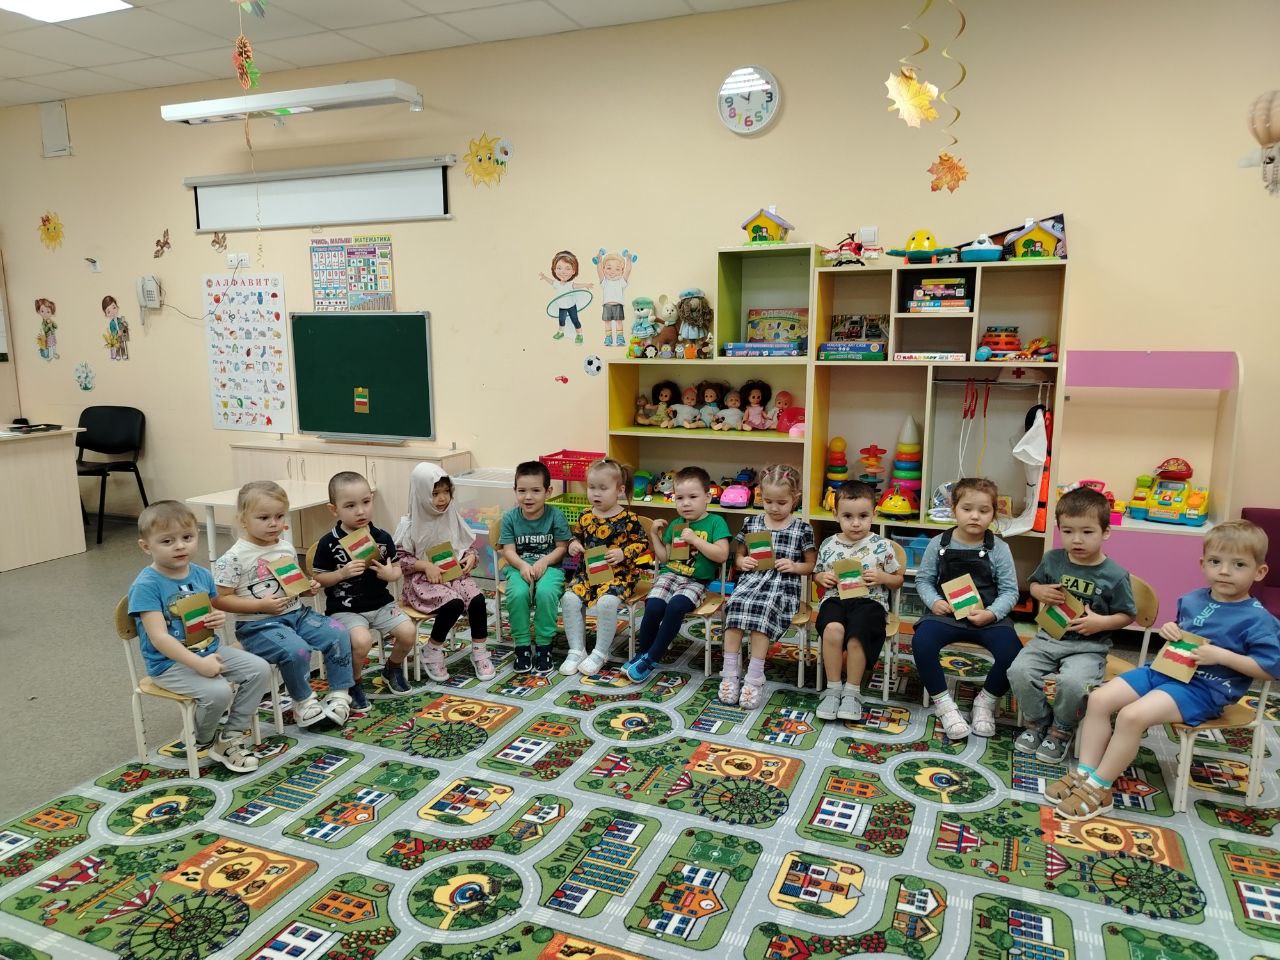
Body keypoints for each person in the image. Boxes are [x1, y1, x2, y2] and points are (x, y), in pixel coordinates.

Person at [1052, 520, 1280, 821]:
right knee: (1099, 699)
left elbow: (1270, 668)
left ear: (1259, 572)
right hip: (1163, 671)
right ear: (1203, 564)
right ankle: (1085, 773)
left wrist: (1222, 656)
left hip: (1202, 690)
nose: (1224, 571)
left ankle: (1100, 787)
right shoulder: (1193, 599)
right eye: (1215, 562)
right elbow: (1185, 633)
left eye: (1239, 564)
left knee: (1132, 716)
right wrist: (1172, 629)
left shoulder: (1258, 620)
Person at [128, 501, 270, 773]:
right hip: (169, 664)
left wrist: (217, 618)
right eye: (167, 541)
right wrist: (199, 664)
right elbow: (159, 638)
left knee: (259, 669)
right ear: (146, 547)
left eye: (187, 537)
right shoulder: (146, 585)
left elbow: (210, 612)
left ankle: (229, 736)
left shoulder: (202, 574)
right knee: (218, 692)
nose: (180, 546)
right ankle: (201, 738)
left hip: (208, 649)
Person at [1008, 487, 1136, 763]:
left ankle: (1062, 729)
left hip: (1089, 647)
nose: (1076, 539)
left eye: (1087, 532)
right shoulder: (1052, 559)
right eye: (1068, 531)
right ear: (1059, 530)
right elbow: (1034, 583)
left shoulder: (1115, 575)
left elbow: (1128, 615)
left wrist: (1101, 622)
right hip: (1048, 639)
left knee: (1074, 683)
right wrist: (1039, 591)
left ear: (1106, 532)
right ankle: (1038, 722)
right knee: (1018, 670)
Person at [212, 481, 353, 728]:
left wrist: (307, 588)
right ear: (243, 519)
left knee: (338, 632)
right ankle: (303, 701)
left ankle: (340, 694)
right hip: (258, 626)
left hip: (297, 615)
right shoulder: (233, 558)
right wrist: (261, 606)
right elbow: (219, 599)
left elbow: (292, 584)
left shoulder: (286, 547)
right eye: (264, 517)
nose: (273, 523)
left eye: (279, 516)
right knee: (296, 650)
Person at [911, 478, 1021, 740]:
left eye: (984, 511)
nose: (975, 516)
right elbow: (923, 580)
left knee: (1014, 652)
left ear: (993, 513)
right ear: (954, 510)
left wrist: (991, 613)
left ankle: (985, 702)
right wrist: (934, 602)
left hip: (988, 617)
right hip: (945, 615)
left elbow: (1010, 591)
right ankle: (944, 705)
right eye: (967, 509)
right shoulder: (939, 543)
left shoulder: (999, 548)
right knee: (922, 643)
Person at [312, 471, 418, 703]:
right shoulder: (329, 542)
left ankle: (392, 668)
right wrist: (341, 574)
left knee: (408, 633)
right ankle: (354, 680)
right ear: (334, 509)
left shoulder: (382, 537)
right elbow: (319, 578)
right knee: (362, 642)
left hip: (381, 604)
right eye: (350, 506)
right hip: (345, 609)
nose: (360, 511)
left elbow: (397, 568)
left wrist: (391, 574)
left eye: (366, 502)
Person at [718, 465, 816, 709]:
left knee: (763, 610)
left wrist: (794, 566)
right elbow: (739, 556)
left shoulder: (802, 528)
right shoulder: (752, 522)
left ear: (795, 498)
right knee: (734, 605)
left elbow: (811, 565)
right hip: (752, 580)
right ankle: (730, 674)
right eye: (768, 501)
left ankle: (754, 677)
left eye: (781, 503)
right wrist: (743, 561)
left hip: (783, 585)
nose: (774, 508)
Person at [622, 466, 731, 682]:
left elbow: (722, 555)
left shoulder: (716, 522)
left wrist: (696, 540)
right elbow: (665, 558)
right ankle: (642, 653)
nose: (686, 503)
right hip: (669, 575)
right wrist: (654, 535)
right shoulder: (675, 524)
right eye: (680, 498)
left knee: (675, 607)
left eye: (693, 497)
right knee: (653, 606)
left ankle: (651, 658)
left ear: (708, 497)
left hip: (696, 581)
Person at [812, 481, 903, 721]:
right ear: (835, 515)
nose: (855, 523)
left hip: (870, 601)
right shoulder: (829, 544)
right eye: (848, 516)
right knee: (833, 629)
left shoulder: (882, 545)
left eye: (863, 516)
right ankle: (833, 689)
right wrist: (822, 578)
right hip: (836, 598)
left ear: (874, 514)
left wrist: (883, 577)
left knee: (858, 634)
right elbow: (817, 574)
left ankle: (852, 692)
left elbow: (898, 580)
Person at [396, 463, 494, 682]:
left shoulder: (452, 516)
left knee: (477, 600)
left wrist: (471, 557)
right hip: (423, 582)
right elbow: (399, 561)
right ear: (421, 494)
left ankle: (479, 652)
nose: (442, 499)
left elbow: (466, 546)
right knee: (454, 604)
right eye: (434, 494)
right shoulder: (409, 525)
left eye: (446, 492)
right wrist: (425, 566)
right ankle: (431, 650)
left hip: (453, 575)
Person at [561, 458, 650, 676]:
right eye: (591, 487)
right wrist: (573, 544)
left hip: (618, 577)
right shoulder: (585, 516)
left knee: (606, 602)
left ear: (620, 490)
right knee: (569, 599)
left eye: (603, 488)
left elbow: (642, 543)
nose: (596, 494)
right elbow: (575, 536)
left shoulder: (628, 518)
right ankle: (576, 650)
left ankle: (600, 652)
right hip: (587, 575)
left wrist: (623, 553)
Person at [498, 460, 570, 675]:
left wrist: (544, 561)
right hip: (518, 567)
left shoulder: (556, 515)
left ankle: (544, 646)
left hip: (551, 567)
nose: (528, 497)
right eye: (522, 491)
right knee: (518, 594)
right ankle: (522, 646)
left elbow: (562, 547)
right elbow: (508, 550)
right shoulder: (510, 518)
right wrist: (521, 565)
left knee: (546, 593)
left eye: (536, 491)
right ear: (515, 491)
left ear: (548, 492)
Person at [539, 250, 591, 344]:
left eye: (567, 269)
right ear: (554, 270)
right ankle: (561, 332)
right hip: (562, 307)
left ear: (573, 271)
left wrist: (586, 285)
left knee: (575, 320)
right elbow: (551, 281)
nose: (563, 272)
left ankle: (579, 335)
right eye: (559, 268)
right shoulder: (557, 284)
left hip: (571, 306)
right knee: (561, 320)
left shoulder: (570, 284)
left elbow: (577, 285)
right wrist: (544, 277)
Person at [594, 248, 635, 347]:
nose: (613, 272)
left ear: (621, 271)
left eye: (617, 269)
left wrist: (628, 259)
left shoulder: (621, 282)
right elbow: (599, 270)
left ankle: (620, 337)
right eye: (609, 268)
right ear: (604, 269)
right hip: (607, 306)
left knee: (619, 322)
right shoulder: (604, 282)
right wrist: (599, 260)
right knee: (607, 322)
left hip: (618, 305)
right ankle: (608, 338)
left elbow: (628, 270)